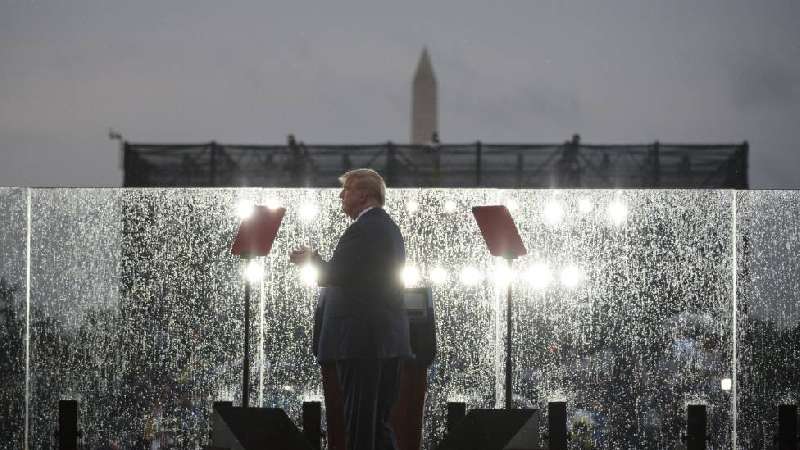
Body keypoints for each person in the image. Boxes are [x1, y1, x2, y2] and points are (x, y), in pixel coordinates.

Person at [290, 168, 411, 450]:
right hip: (386, 342)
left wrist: (311, 259)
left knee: (360, 426)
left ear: (364, 195)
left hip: (362, 343)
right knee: (377, 425)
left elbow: (340, 275)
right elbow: (362, 276)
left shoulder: (363, 229)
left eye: (347, 190)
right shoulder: (388, 228)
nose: (341, 195)